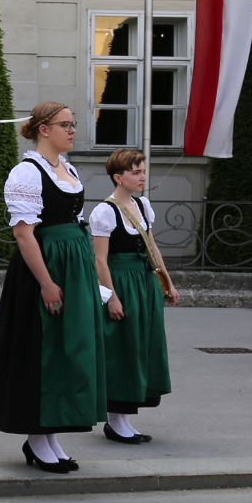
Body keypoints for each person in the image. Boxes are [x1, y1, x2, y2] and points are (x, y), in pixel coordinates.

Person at [0, 102, 106, 473]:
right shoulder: (27, 172)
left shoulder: (65, 168)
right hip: (45, 268)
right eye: (64, 124)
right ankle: (37, 438)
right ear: (43, 129)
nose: (72, 130)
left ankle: (50, 434)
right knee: (44, 349)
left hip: (71, 266)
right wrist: (47, 283)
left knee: (67, 348)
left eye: (73, 124)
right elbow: (24, 234)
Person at [90, 148, 176, 444]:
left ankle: (124, 418)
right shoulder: (105, 211)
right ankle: (115, 421)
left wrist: (167, 281)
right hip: (121, 282)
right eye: (136, 172)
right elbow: (100, 260)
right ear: (118, 177)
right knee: (121, 348)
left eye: (143, 171)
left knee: (141, 345)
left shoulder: (143, 205)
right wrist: (111, 297)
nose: (142, 177)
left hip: (144, 282)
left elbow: (152, 247)